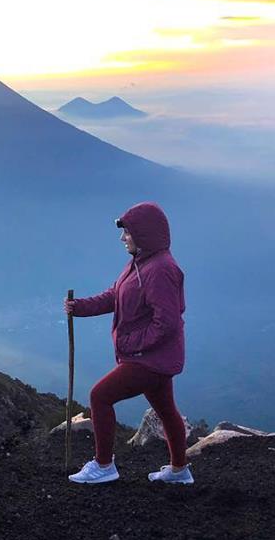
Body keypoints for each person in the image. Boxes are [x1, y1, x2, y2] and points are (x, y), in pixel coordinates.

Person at [64, 201, 193, 485]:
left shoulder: (161, 270)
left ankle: (104, 466)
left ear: (144, 233)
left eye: (128, 232)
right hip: (154, 357)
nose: (123, 238)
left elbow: (167, 322)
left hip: (149, 359)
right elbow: (116, 295)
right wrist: (80, 307)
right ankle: (179, 470)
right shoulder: (140, 263)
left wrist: (134, 344)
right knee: (165, 408)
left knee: (100, 396)